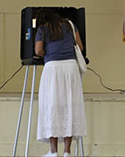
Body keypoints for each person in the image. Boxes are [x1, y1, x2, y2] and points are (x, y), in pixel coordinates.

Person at [35, 9, 87, 157]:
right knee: (69, 106)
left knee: (51, 106)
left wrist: (48, 52)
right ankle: (67, 152)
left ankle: (53, 151)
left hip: (53, 69)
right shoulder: (70, 25)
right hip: (71, 69)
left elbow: (38, 50)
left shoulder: (43, 28)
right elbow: (80, 47)